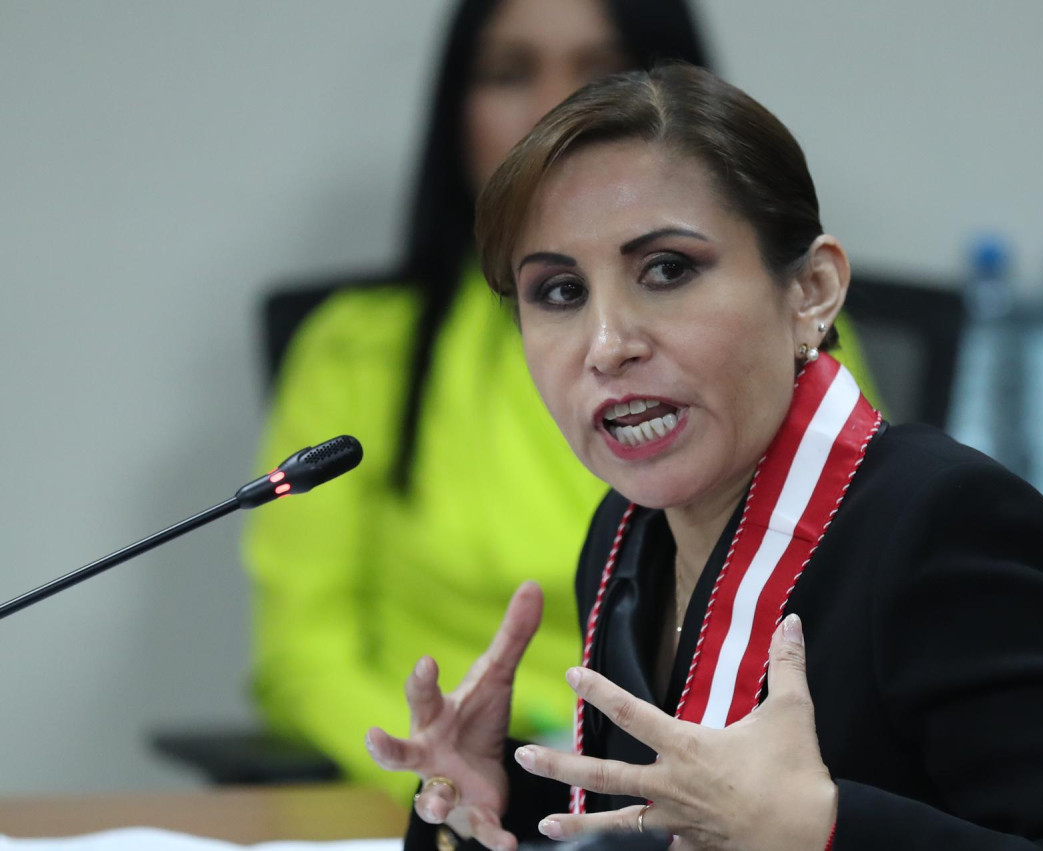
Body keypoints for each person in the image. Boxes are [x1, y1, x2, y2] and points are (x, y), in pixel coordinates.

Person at [365, 64, 1043, 850]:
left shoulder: (949, 530)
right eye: (558, 291)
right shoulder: (629, 537)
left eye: (666, 269)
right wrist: (491, 801)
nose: (607, 343)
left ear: (810, 290)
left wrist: (826, 831)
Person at [243, 0, 715, 798]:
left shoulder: (771, 334)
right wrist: (456, 766)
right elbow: (306, 651)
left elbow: (817, 621)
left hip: (693, 802)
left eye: (601, 72)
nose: (554, 112)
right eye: (508, 73)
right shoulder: (359, 348)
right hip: (451, 798)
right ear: (452, 111)